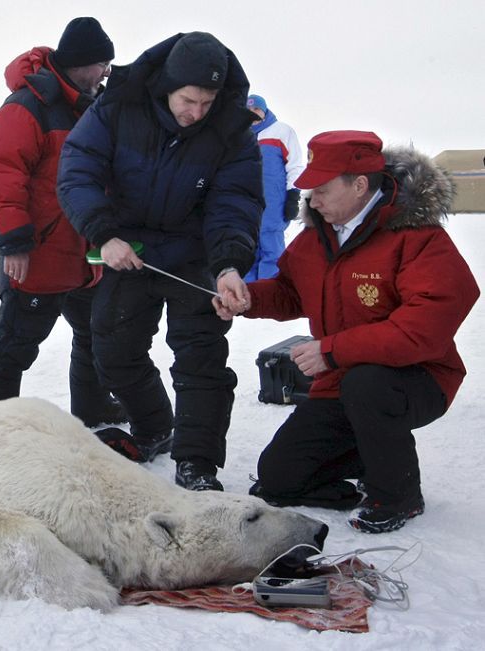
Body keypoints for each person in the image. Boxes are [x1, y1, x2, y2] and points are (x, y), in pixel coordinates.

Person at [214, 130, 479, 533]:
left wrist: (332, 350)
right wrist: (248, 298)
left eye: (321, 189)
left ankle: (398, 495)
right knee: (278, 479)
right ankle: (369, 454)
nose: (311, 199)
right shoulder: (315, 237)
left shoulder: (419, 238)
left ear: (359, 185)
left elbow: (424, 328)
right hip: (341, 380)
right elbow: (289, 291)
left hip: (418, 380)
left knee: (367, 384)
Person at [57, 32, 264, 488]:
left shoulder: (231, 129)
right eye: (190, 100)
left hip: (197, 254)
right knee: (111, 347)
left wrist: (229, 265)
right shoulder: (118, 105)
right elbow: (78, 169)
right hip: (131, 249)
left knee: (201, 359)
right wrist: (104, 234)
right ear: (168, 85)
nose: (197, 113)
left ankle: (197, 463)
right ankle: (154, 427)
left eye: (208, 102)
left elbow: (235, 203)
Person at [0, 17, 126, 429]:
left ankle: (93, 409)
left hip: (86, 256)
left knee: (95, 338)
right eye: (103, 63)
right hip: (38, 255)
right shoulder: (27, 106)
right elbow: (1, 177)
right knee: (14, 347)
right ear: (82, 63)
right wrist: (14, 243)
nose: (108, 72)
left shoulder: (93, 107)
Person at [244, 94, 305, 281]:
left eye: (256, 110)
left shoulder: (280, 131)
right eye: (248, 111)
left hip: (273, 202)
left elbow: (294, 165)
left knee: (271, 246)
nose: (252, 114)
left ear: (264, 111)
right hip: (245, 201)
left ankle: (271, 292)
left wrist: (293, 195)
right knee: (246, 245)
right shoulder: (237, 136)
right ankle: (248, 297)